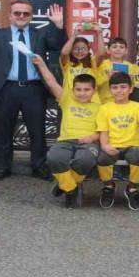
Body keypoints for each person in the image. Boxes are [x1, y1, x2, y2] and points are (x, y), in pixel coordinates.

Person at [0, 1, 66, 180]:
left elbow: (58, 45)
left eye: (25, 13)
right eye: (17, 13)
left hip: (34, 89)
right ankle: (3, 166)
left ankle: (39, 166)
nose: (21, 16)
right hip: (5, 88)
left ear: (31, 16)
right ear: (10, 15)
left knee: (37, 130)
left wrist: (59, 26)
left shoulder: (41, 34)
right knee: (3, 130)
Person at [33, 55, 100, 209]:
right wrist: (41, 64)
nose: (82, 93)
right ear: (73, 90)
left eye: (87, 90)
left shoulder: (99, 107)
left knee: (85, 160)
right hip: (65, 141)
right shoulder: (67, 100)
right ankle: (70, 189)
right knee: (54, 158)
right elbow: (51, 82)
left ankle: (64, 185)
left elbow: (102, 131)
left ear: (94, 90)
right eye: (78, 89)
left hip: (88, 143)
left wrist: (91, 138)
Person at [94, 72, 139, 210]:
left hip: (132, 144)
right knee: (103, 159)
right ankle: (108, 186)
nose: (119, 91)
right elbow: (103, 131)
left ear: (131, 89)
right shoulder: (104, 108)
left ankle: (132, 188)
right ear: (110, 90)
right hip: (112, 144)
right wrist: (104, 146)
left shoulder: (138, 107)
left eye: (123, 87)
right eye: (115, 87)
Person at [95, 37, 133, 104]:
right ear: (108, 50)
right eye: (114, 47)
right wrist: (107, 77)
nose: (118, 49)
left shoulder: (130, 66)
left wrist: (130, 80)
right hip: (103, 102)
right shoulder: (102, 64)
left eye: (121, 47)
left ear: (126, 51)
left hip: (123, 103)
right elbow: (95, 84)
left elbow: (132, 87)